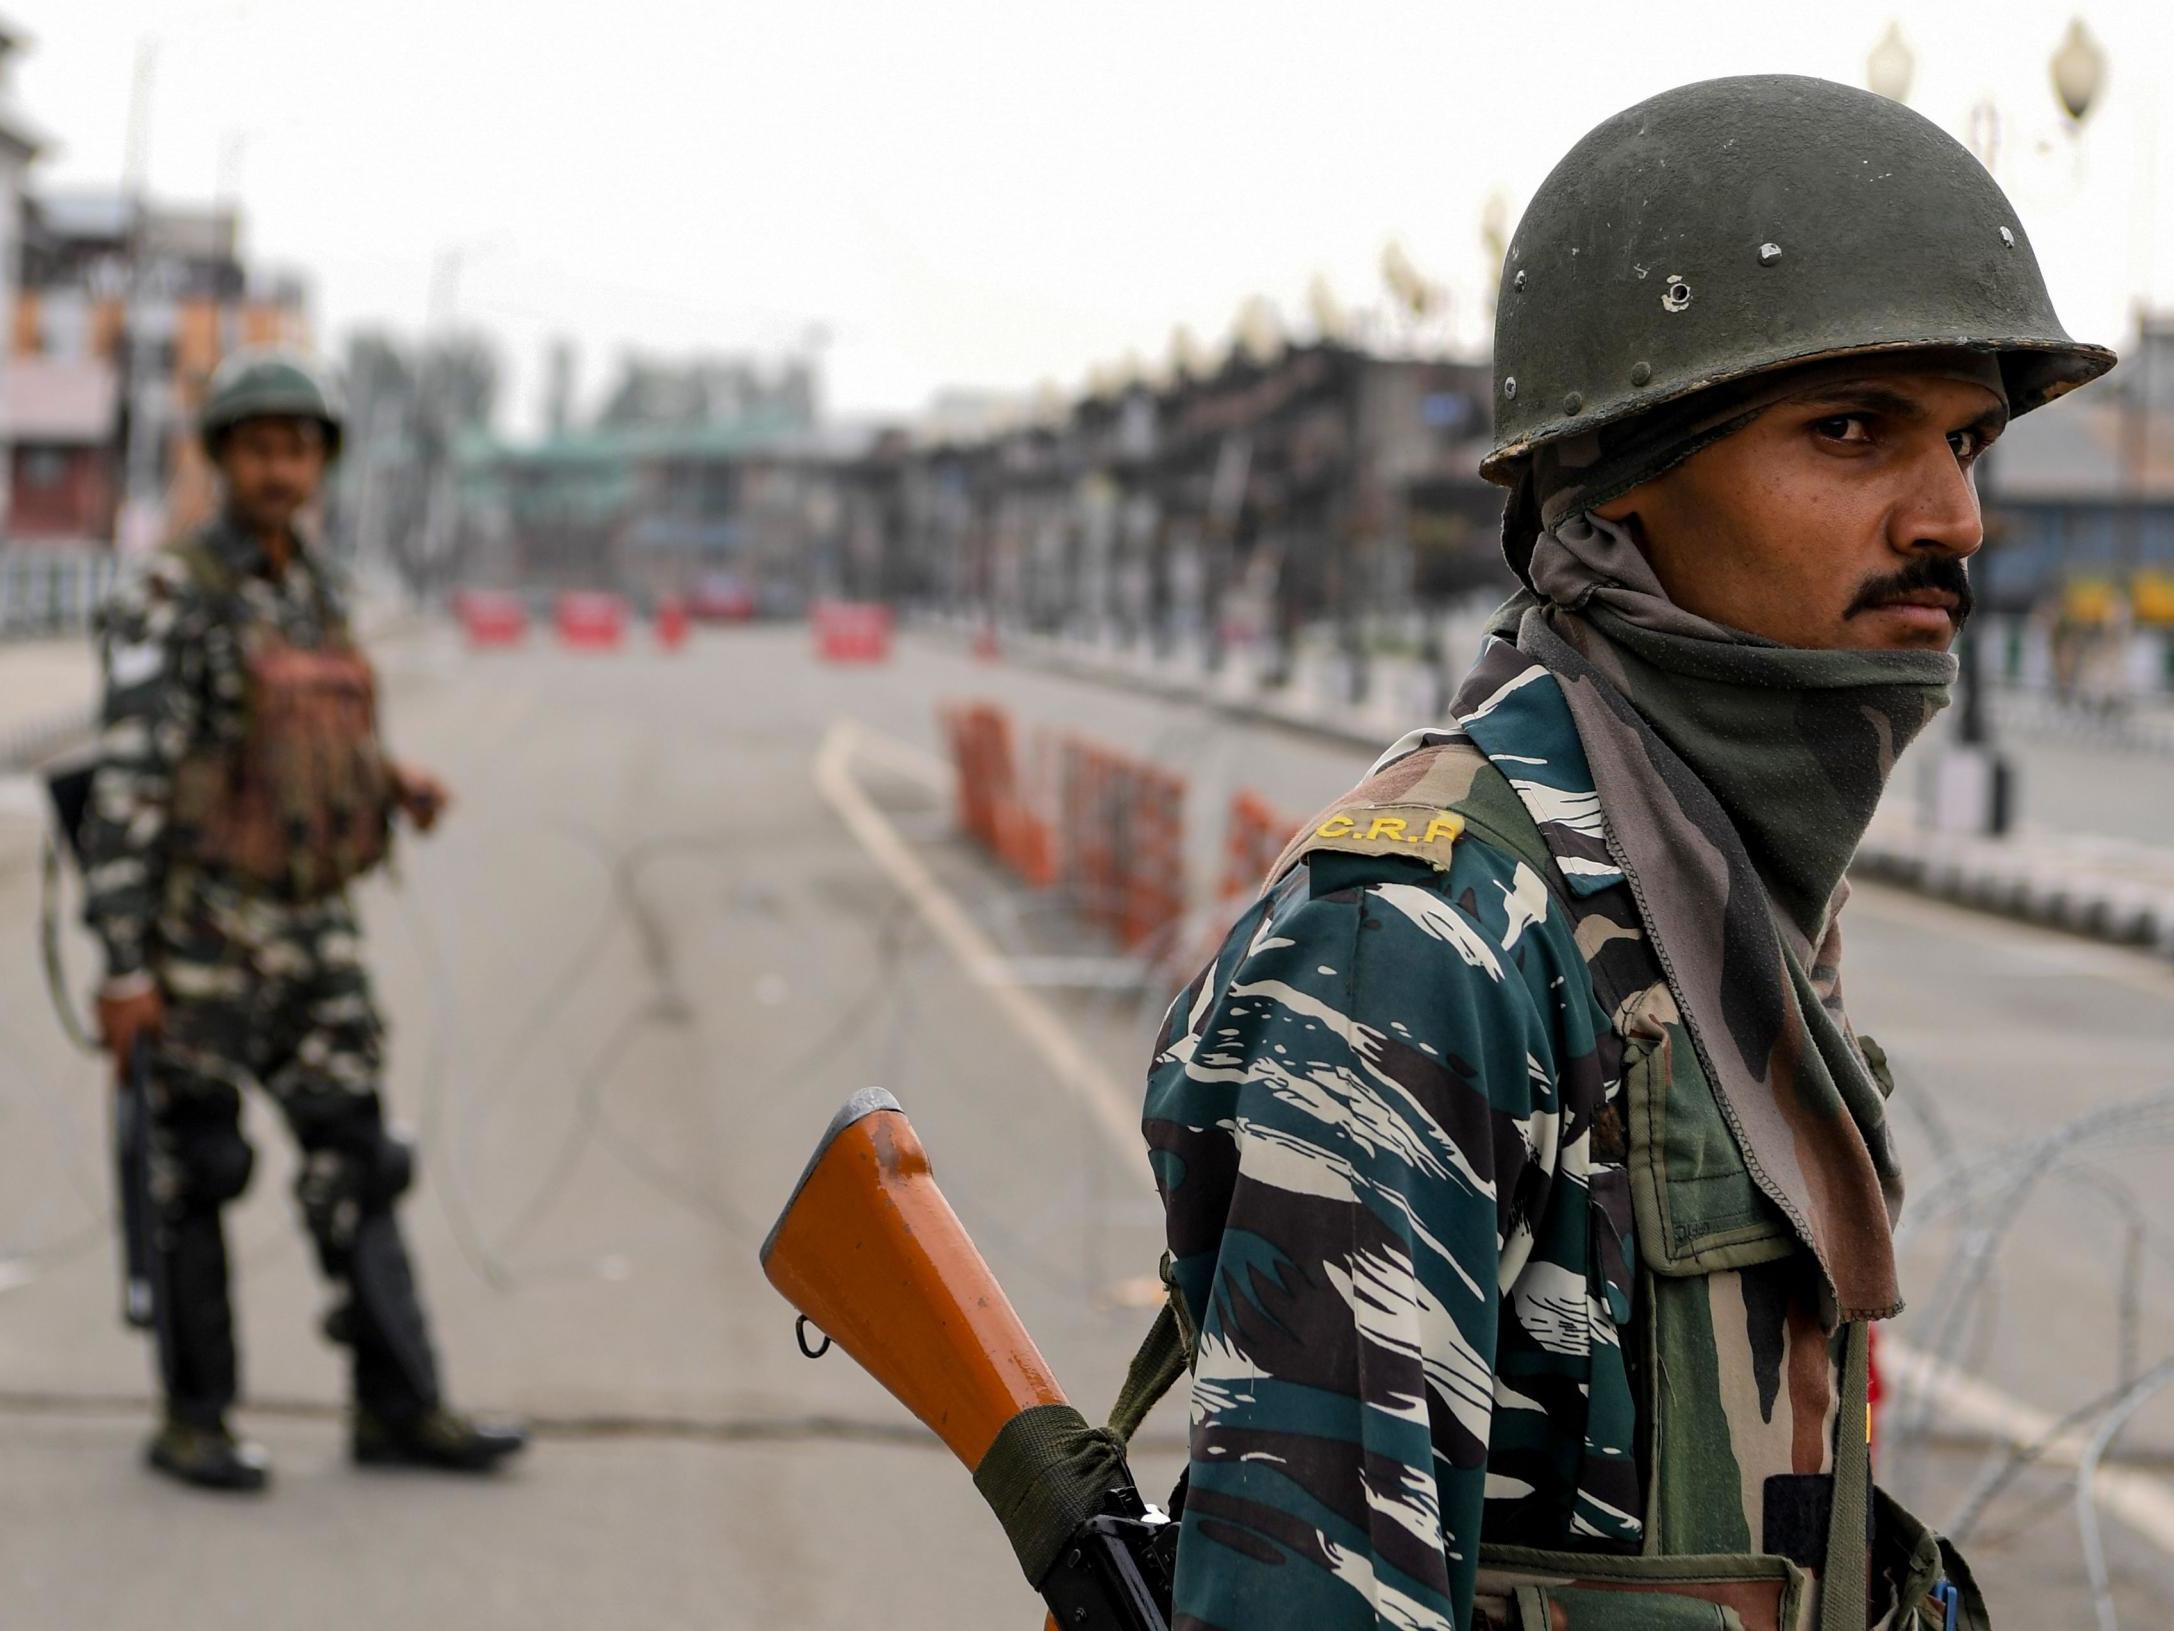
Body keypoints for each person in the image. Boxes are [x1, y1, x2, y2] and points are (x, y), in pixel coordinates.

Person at [1142, 76, 2111, 1630]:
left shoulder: (1698, 854)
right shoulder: (1431, 925)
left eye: (1967, 440)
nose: (1953, 517)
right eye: (1851, 430)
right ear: (1615, 480)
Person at [83, 349, 528, 1491]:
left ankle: (398, 1404)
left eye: (298, 448)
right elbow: (130, 782)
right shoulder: (167, 593)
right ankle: (197, 1420)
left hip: (314, 932)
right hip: (201, 936)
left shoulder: (314, 588)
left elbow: (313, 738)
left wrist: (390, 782)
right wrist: (124, 965)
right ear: (223, 457)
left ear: (319, 463)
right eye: (258, 447)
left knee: (361, 1158)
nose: (280, 468)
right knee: (198, 1167)